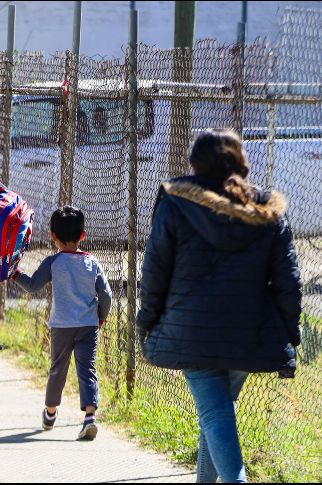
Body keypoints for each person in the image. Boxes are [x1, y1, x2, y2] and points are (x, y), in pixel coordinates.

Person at [137, 129, 302, 483]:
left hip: (190, 331)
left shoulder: (175, 204)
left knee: (215, 415)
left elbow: (154, 273)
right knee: (217, 414)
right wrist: (291, 331)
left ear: (195, 164)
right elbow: (288, 282)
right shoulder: (265, 211)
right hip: (247, 332)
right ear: (241, 162)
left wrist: (146, 321)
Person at [12, 207, 112, 440]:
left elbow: (33, 285)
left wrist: (14, 273)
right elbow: (105, 295)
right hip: (88, 325)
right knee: (87, 369)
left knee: (58, 368)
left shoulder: (52, 262)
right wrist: (101, 316)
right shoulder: (92, 262)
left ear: (53, 236)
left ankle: (50, 411)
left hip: (61, 326)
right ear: (83, 235)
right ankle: (89, 417)